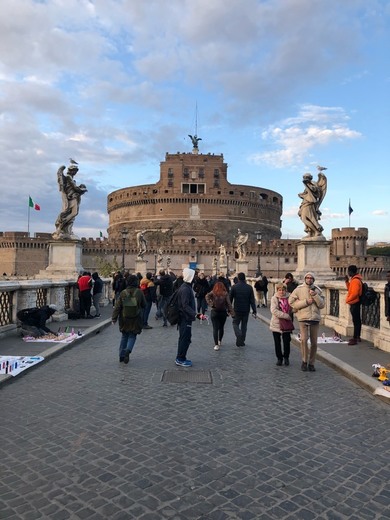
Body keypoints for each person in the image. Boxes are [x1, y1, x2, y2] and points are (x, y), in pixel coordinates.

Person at [289, 272, 325, 372]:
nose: (309, 279)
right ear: (305, 279)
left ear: (313, 279)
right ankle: (304, 361)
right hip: (303, 318)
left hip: (315, 319)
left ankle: (312, 363)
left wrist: (315, 296)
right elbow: (291, 303)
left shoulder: (318, 290)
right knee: (304, 340)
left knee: (314, 342)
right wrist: (305, 302)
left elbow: (322, 305)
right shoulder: (298, 290)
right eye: (307, 278)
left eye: (311, 278)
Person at [112, 274, 146, 364]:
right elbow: (144, 305)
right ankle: (128, 350)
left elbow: (117, 307)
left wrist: (114, 318)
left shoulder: (123, 293)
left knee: (124, 336)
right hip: (135, 318)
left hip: (124, 318)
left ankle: (121, 356)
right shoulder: (139, 292)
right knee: (132, 335)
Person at [53, 164, 88, 239]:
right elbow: (74, 187)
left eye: (76, 171)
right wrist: (82, 190)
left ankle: (66, 229)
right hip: (70, 197)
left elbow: (74, 187)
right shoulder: (68, 177)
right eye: (75, 171)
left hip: (73, 197)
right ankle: (61, 225)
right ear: (71, 170)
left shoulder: (71, 178)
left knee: (73, 214)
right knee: (73, 212)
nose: (75, 172)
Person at [175, 267, 197, 366]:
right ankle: (180, 358)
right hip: (185, 318)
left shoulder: (186, 287)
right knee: (185, 338)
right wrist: (196, 314)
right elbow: (185, 305)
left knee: (185, 337)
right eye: (193, 276)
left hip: (186, 317)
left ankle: (181, 357)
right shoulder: (185, 289)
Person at [229, 272, 257, 347]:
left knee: (235, 323)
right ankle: (242, 341)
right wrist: (254, 310)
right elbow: (252, 300)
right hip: (246, 310)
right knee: (244, 326)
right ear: (244, 278)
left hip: (237, 309)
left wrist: (229, 309)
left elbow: (230, 299)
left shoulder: (234, 287)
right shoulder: (249, 287)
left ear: (238, 278)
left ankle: (238, 334)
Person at [205, 281, 234, 350]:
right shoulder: (225, 293)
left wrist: (211, 304)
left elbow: (206, 296)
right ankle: (220, 341)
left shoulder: (213, 292)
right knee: (221, 327)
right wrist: (232, 313)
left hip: (214, 312)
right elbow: (229, 304)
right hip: (223, 312)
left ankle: (216, 345)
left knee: (215, 328)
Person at [298, 171, 327, 238]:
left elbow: (315, 191)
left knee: (307, 218)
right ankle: (310, 233)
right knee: (305, 218)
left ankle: (317, 231)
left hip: (310, 204)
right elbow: (307, 194)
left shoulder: (313, 183)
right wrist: (301, 195)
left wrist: (307, 184)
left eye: (305, 177)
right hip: (305, 203)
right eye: (304, 177)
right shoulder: (308, 184)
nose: (304, 178)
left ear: (309, 178)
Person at [270, 283, 293, 366]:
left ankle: (286, 357)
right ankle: (279, 358)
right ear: (277, 290)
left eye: (283, 290)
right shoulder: (274, 298)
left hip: (286, 324)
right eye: (279, 290)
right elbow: (274, 310)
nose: (281, 292)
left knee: (286, 342)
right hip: (276, 323)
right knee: (277, 342)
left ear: (285, 290)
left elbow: (293, 307)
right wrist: (286, 316)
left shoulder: (290, 297)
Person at [345, 265, 363, 345]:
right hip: (354, 302)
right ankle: (357, 336)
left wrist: (347, 300)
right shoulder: (354, 280)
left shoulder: (355, 280)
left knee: (356, 321)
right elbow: (350, 290)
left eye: (348, 271)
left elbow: (355, 293)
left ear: (351, 272)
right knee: (356, 320)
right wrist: (347, 282)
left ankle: (355, 337)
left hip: (355, 302)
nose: (348, 273)